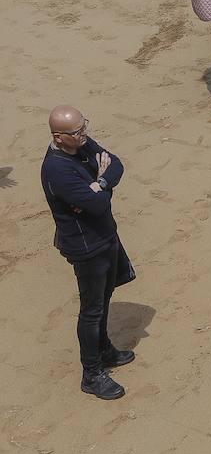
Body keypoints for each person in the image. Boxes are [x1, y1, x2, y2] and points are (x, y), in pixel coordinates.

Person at [41, 107, 138, 401]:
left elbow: (117, 165)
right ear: (59, 137)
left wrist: (101, 183)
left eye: (84, 128)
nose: (85, 135)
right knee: (92, 309)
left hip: (105, 236)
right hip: (86, 247)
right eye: (77, 132)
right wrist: (97, 187)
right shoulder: (57, 169)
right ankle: (91, 374)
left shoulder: (82, 145)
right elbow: (97, 207)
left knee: (105, 297)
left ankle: (104, 349)